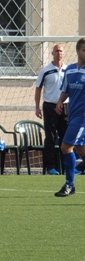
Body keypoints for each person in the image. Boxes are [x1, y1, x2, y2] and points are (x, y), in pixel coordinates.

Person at [54, 38, 85, 197]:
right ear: (78, 51)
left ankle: (69, 184)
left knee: (66, 147)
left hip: (82, 117)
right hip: (72, 115)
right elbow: (66, 90)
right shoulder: (70, 70)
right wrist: (60, 101)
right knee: (81, 149)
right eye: (84, 50)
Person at [34, 44, 67, 175]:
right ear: (52, 53)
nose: (59, 53)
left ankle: (65, 166)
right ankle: (51, 167)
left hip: (65, 107)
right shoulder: (45, 71)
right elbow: (38, 89)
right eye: (56, 51)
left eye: (61, 51)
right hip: (50, 107)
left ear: (64, 53)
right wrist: (37, 107)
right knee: (51, 137)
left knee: (65, 137)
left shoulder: (68, 70)